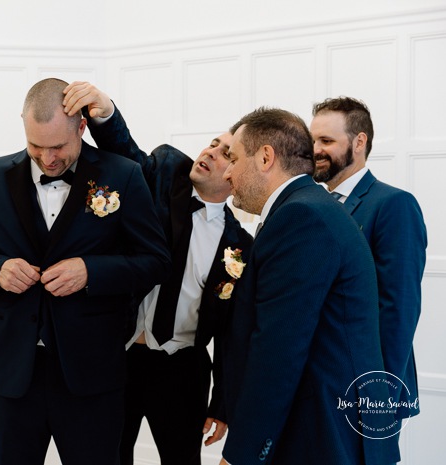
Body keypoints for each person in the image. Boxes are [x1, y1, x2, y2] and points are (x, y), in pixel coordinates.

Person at [0, 78, 170, 465]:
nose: (48, 159)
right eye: (36, 146)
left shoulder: (123, 174)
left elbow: (155, 259)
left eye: (58, 147)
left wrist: (90, 271)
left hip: (92, 373)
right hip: (15, 374)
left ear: (81, 126)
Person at [63, 81, 253, 465]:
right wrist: (105, 112)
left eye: (226, 154)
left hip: (182, 369)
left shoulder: (241, 246)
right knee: (108, 455)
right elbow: (125, 153)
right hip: (121, 354)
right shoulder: (165, 172)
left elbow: (234, 333)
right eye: (213, 143)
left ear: (239, 172)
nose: (211, 153)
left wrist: (223, 404)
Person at [219, 107, 399, 464]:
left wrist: (244, 452)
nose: (228, 173)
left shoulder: (300, 216)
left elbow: (279, 349)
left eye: (234, 159)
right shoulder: (308, 207)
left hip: (322, 431)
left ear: (265, 157)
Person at [310, 97, 427, 437]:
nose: (315, 150)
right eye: (313, 140)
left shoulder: (393, 205)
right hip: (320, 383)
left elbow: (399, 307)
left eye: (326, 141)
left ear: (359, 142)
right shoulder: (312, 205)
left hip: (366, 388)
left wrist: (379, 396)